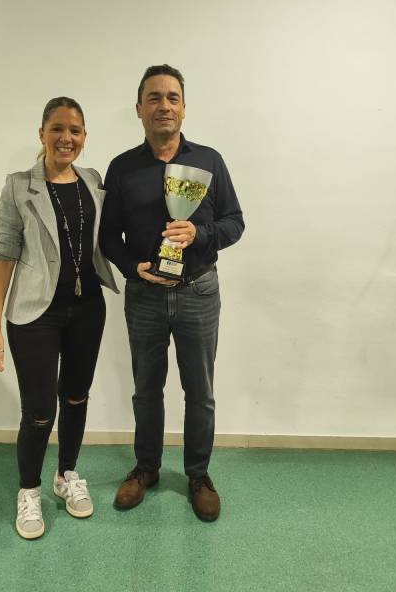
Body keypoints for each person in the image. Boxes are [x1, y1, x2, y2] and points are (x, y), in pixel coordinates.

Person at [99, 65, 244, 522]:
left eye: (172, 97)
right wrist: (134, 269)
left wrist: (199, 233)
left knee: (200, 391)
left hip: (199, 291)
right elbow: (108, 238)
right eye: (155, 98)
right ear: (139, 109)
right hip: (144, 295)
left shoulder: (210, 162)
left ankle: (198, 475)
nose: (164, 105)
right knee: (146, 390)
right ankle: (146, 468)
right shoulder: (122, 167)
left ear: (184, 108)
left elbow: (234, 222)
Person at [0, 97, 118, 539]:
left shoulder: (93, 181)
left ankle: (66, 475)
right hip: (34, 314)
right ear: (41, 133)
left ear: (84, 137)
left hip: (88, 309)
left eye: (75, 130)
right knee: (40, 411)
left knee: (76, 397)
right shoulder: (18, 185)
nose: (66, 138)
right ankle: (29, 490)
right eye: (57, 128)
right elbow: (4, 254)